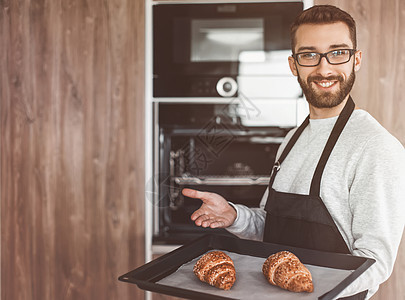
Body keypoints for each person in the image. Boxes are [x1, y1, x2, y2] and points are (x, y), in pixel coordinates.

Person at [182, 5, 405, 300]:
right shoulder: (292, 139)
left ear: (356, 59)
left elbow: (375, 263)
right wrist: (233, 216)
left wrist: (306, 292)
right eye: (309, 55)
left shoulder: (376, 147)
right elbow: (273, 227)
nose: (324, 69)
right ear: (293, 65)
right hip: (270, 292)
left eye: (338, 53)